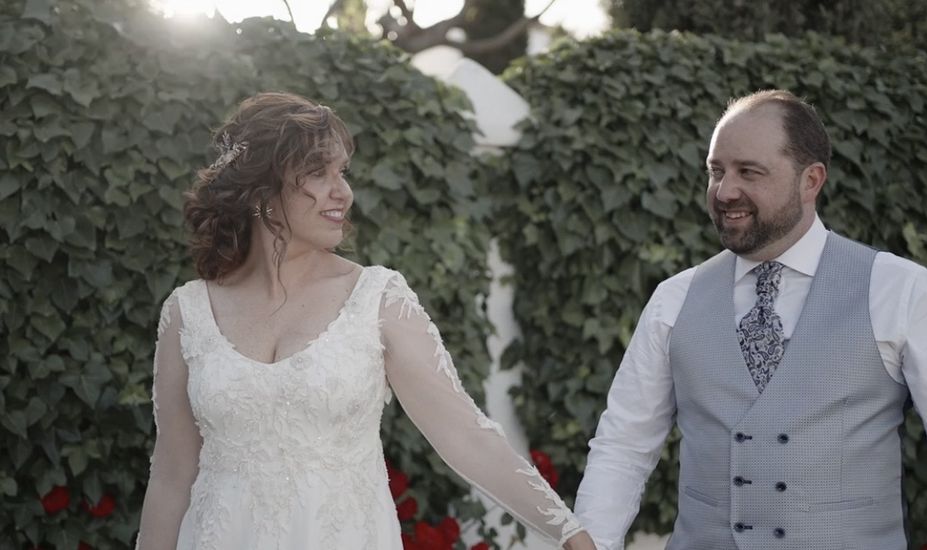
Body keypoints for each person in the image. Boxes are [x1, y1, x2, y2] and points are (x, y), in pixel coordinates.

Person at [136, 92, 597, 550]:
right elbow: (172, 476)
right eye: (318, 173)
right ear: (261, 190)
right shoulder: (188, 311)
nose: (343, 192)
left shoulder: (376, 299)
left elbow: (466, 435)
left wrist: (567, 531)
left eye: (343, 172)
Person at [574, 89, 927, 550]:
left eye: (749, 172)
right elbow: (623, 447)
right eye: (716, 171)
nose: (725, 191)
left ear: (811, 180)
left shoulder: (900, 290)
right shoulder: (674, 299)